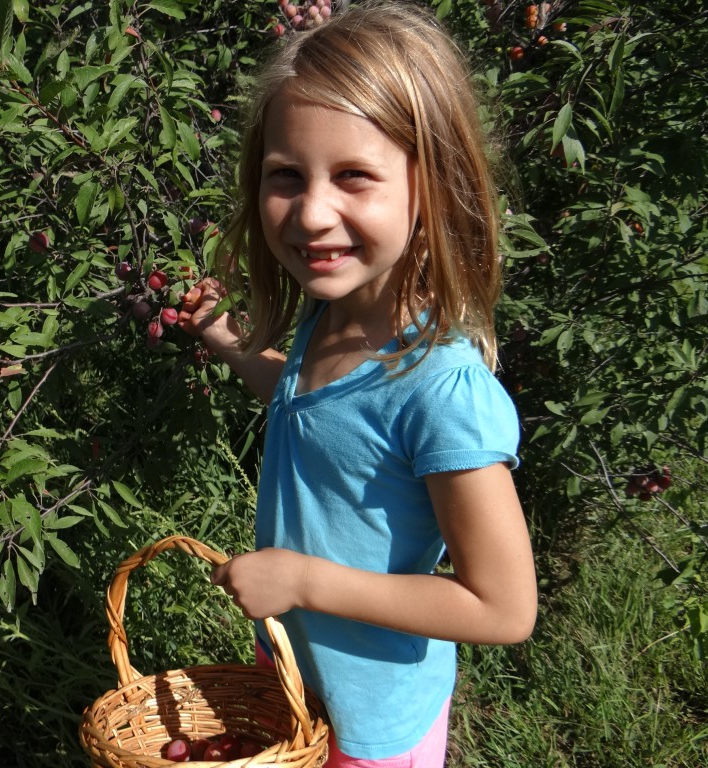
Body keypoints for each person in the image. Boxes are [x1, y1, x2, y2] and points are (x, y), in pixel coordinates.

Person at [177, 2, 537, 766]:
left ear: (430, 188)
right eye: (286, 175)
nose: (312, 212)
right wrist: (226, 341)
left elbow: (503, 607)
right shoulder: (332, 317)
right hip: (305, 680)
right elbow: (312, 411)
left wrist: (303, 580)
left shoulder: (440, 389)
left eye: (353, 177)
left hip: (372, 721)